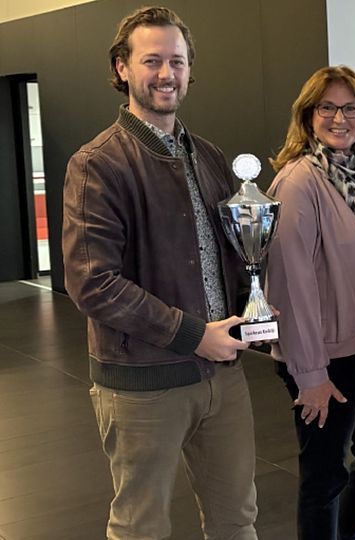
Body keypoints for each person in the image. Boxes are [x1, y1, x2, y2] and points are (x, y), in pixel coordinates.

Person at [61, 6, 258, 539]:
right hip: (143, 386)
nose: (167, 73)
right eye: (152, 61)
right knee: (141, 526)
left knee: (237, 520)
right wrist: (196, 336)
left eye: (178, 60)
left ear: (191, 69)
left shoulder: (210, 157)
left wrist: (256, 310)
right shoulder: (97, 163)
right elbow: (91, 282)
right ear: (122, 68)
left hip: (223, 377)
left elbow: (234, 255)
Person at [265, 65, 355, 540]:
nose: (339, 118)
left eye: (350, 108)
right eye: (327, 107)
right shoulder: (299, 182)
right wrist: (311, 375)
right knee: (324, 478)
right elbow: (290, 286)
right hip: (324, 357)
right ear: (308, 117)